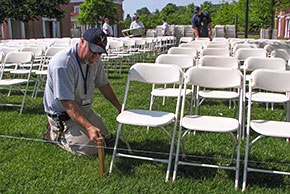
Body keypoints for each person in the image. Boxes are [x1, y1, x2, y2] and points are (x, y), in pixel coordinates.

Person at [43, 28, 122, 156]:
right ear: (82, 41)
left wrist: (119, 106)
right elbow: (67, 103)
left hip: (84, 110)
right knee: (92, 149)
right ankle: (54, 134)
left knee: (106, 138)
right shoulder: (63, 64)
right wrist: (89, 127)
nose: (96, 56)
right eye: (93, 51)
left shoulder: (95, 59)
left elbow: (104, 85)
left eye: (99, 53)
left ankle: (79, 128)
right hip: (65, 116)